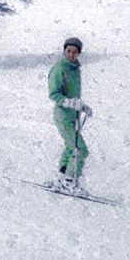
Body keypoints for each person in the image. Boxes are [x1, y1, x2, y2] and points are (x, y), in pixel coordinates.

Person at [49, 35, 93, 191]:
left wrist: (81, 107)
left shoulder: (75, 69)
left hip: (72, 116)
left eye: (75, 52)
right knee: (79, 149)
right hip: (62, 114)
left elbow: (72, 94)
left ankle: (61, 178)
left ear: (79, 53)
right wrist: (68, 102)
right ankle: (70, 180)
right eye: (68, 51)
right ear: (64, 51)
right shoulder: (60, 68)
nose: (71, 55)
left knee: (70, 147)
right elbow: (54, 93)